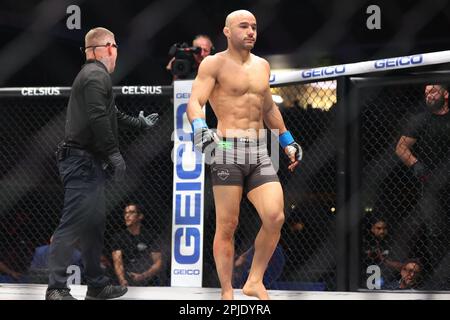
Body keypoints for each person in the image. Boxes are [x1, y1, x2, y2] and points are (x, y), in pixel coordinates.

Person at [186, 10, 302, 300]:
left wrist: (287, 140)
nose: (251, 31)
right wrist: (201, 128)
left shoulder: (262, 66)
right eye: (243, 26)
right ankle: (227, 290)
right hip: (226, 149)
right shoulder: (214, 64)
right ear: (227, 32)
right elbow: (195, 101)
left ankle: (254, 281)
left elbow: (268, 108)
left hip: (259, 150)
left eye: (254, 27)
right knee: (228, 224)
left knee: (275, 216)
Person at [46, 27, 159, 300]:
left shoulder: (94, 77)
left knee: (93, 226)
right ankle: (56, 288)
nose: (117, 53)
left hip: (88, 162)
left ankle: (96, 284)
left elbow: (112, 114)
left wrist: (138, 123)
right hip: (81, 161)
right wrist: (114, 154)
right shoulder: (96, 75)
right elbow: (98, 118)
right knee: (72, 224)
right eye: (116, 47)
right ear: (108, 47)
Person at [395, 83, 450, 288]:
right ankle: (443, 281)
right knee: (436, 232)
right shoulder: (420, 120)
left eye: (433, 91)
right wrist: (416, 165)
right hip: (432, 185)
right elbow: (401, 148)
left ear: (445, 94)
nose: (428, 95)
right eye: (426, 92)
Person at [111, 203, 163, 287]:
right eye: (125, 213)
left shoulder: (150, 236)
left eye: (131, 212)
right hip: (127, 279)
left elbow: (158, 262)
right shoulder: (118, 237)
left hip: (149, 280)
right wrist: (122, 280)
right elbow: (118, 262)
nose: (127, 216)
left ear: (140, 216)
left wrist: (143, 276)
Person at [362, 217, 403, 287]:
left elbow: (401, 265)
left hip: (389, 280)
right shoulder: (365, 243)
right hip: (367, 278)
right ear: (372, 229)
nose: (382, 231)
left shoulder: (393, 243)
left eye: (384, 228)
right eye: (378, 228)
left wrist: (383, 259)